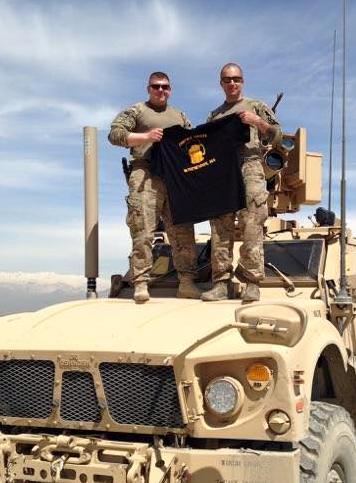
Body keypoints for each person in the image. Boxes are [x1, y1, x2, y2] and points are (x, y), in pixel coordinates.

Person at [108, 72, 200, 303]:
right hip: (145, 173)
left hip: (175, 176)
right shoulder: (137, 111)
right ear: (148, 88)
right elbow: (115, 135)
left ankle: (186, 283)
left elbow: (191, 141)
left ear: (170, 89)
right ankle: (140, 282)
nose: (161, 90)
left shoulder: (179, 115)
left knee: (182, 231)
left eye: (165, 87)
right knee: (143, 230)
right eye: (156, 86)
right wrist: (146, 137)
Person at [201, 63, 282, 302]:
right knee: (220, 228)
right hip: (222, 170)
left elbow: (277, 135)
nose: (232, 83)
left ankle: (252, 282)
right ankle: (221, 283)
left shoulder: (255, 106)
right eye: (227, 80)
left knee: (252, 223)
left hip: (250, 165)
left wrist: (257, 121)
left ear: (242, 81)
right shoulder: (214, 116)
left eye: (236, 79)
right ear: (221, 84)